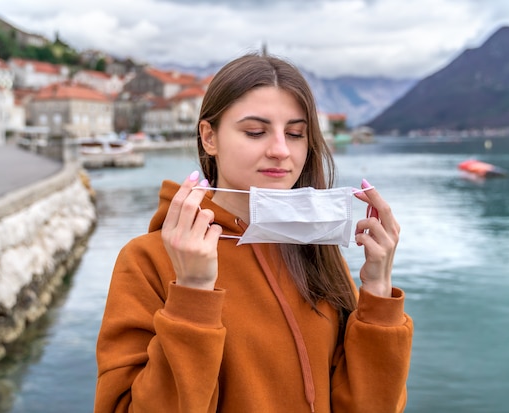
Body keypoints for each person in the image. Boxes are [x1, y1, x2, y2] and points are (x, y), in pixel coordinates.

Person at [94, 52, 413, 413]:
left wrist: (377, 295)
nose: (280, 150)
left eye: (295, 134)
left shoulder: (317, 251)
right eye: (255, 132)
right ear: (209, 137)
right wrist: (193, 294)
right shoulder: (146, 260)